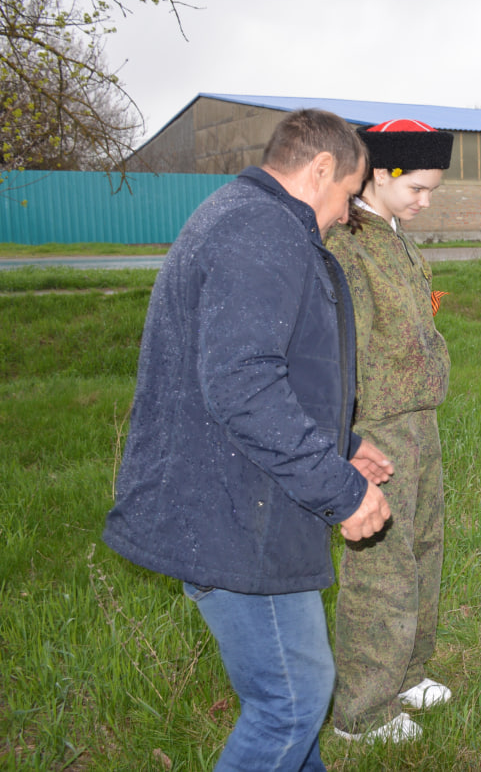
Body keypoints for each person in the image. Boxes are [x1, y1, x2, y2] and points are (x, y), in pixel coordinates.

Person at [102, 108, 393, 772]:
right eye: (349, 195)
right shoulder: (260, 232)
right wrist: (343, 491)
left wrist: (340, 445)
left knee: (294, 696)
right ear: (321, 169)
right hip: (234, 515)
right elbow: (243, 385)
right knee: (290, 702)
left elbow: (269, 369)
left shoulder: (247, 220)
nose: (348, 215)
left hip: (244, 499)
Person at [325, 119, 455, 742]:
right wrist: (347, 441)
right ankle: (361, 709)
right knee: (382, 564)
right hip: (378, 427)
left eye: (434, 190)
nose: (426, 201)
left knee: (424, 545)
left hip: (419, 421)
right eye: (419, 189)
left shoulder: (396, 239)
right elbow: (339, 354)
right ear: (380, 174)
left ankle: (408, 670)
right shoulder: (349, 246)